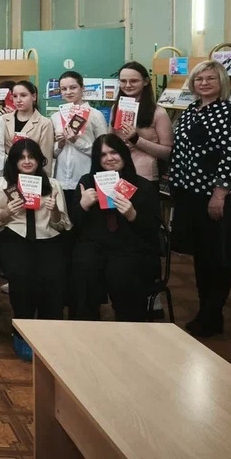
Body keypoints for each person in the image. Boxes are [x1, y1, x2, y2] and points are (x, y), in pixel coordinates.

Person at [169, 60, 231, 337]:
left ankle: (213, 315)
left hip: (217, 198)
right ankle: (206, 310)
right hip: (191, 196)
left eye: (210, 78)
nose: (204, 83)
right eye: (199, 79)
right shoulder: (191, 111)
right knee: (203, 258)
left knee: (218, 259)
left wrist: (219, 194)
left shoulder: (230, 113)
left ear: (221, 82)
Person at [0, 140, 70, 361]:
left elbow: (61, 225)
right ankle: (22, 331)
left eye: (31, 157)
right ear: (13, 161)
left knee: (54, 276)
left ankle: (49, 330)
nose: (27, 161)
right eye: (21, 157)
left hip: (47, 237)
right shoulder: (2, 185)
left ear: (39, 160)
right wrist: (7, 211)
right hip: (15, 236)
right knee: (22, 275)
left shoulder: (52, 184)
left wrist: (54, 212)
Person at [73, 135, 161, 323]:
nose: (109, 158)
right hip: (95, 246)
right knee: (84, 267)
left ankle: (129, 328)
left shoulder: (143, 186)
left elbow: (153, 230)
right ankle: (85, 324)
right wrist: (82, 205)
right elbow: (74, 224)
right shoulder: (87, 182)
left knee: (122, 274)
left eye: (113, 152)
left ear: (124, 154)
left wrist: (133, 215)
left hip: (130, 248)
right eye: (103, 155)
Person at [51, 71, 109, 210]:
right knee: (63, 217)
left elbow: (103, 151)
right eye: (64, 89)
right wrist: (60, 144)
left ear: (82, 88)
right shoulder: (55, 117)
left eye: (73, 87)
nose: (68, 92)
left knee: (84, 217)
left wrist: (76, 141)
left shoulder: (95, 115)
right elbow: (52, 154)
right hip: (61, 179)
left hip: (86, 177)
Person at [111, 61, 172, 184]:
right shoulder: (116, 108)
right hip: (118, 173)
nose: (128, 85)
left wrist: (137, 140)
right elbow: (111, 140)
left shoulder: (158, 112)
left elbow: (168, 153)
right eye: (123, 81)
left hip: (145, 177)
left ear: (146, 81)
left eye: (134, 81)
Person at [3, 81, 55, 174]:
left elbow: (46, 156)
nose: (18, 100)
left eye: (23, 95)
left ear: (34, 97)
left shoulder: (44, 123)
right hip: (8, 172)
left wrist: (45, 179)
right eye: (15, 96)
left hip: (32, 175)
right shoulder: (3, 120)